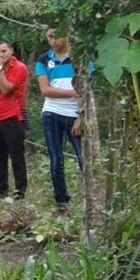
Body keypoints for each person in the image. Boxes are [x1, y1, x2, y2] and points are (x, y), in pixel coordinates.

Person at [36, 26, 85, 215]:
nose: (53, 40)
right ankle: (62, 202)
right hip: (52, 112)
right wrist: (74, 92)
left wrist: (81, 116)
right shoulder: (44, 59)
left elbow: (89, 89)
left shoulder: (80, 57)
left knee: (83, 157)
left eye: (56, 35)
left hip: (76, 113)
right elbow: (45, 90)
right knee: (56, 157)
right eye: (49, 37)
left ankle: (90, 198)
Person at [0, 41, 29, 201]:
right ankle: (1, 192)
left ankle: (20, 192)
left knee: (17, 156)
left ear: (11, 51)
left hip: (13, 117)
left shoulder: (20, 68)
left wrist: (0, 70)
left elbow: (7, 89)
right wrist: (0, 86)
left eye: (4, 51)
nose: (1, 55)